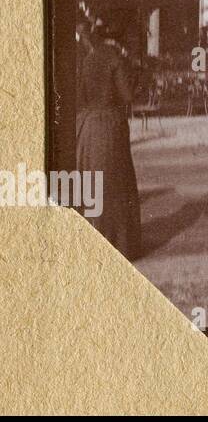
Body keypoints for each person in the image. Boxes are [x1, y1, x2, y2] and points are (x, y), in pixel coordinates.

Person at [75, 17, 141, 258]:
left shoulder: (88, 58)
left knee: (93, 183)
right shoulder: (116, 58)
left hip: (87, 126)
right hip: (109, 126)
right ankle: (118, 243)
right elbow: (127, 96)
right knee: (115, 184)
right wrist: (137, 73)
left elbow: (80, 94)